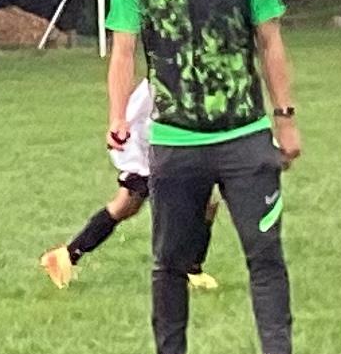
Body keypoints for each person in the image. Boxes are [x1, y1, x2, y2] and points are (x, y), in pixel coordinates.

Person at [105, 0, 308, 354]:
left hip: (244, 134)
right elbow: (123, 51)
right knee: (169, 259)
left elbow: (271, 44)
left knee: (263, 253)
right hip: (174, 140)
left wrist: (285, 118)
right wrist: (118, 115)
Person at [40, 74, 219, 292]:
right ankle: (188, 270)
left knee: (132, 204)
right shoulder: (169, 74)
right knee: (195, 200)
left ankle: (65, 257)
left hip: (167, 138)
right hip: (148, 141)